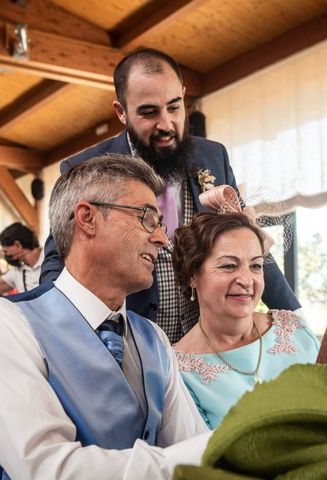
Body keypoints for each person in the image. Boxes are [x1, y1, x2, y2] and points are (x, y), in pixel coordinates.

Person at [0, 154, 210, 479]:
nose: (162, 239)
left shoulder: (154, 338)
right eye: (148, 218)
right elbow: (46, 469)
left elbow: (195, 445)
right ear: (87, 218)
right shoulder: (2, 324)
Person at [40, 48, 301, 343]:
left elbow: (248, 240)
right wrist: (59, 333)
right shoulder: (84, 169)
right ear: (121, 111)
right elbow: (58, 260)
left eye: (174, 107)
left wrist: (295, 316)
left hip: (206, 343)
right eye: (149, 112)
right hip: (130, 345)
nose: (166, 124)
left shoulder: (212, 156)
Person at [171, 212, 320, 429]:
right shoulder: (179, 371)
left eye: (256, 266)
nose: (246, 280)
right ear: (192, 274)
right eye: (229, 266)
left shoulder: (295, 330)